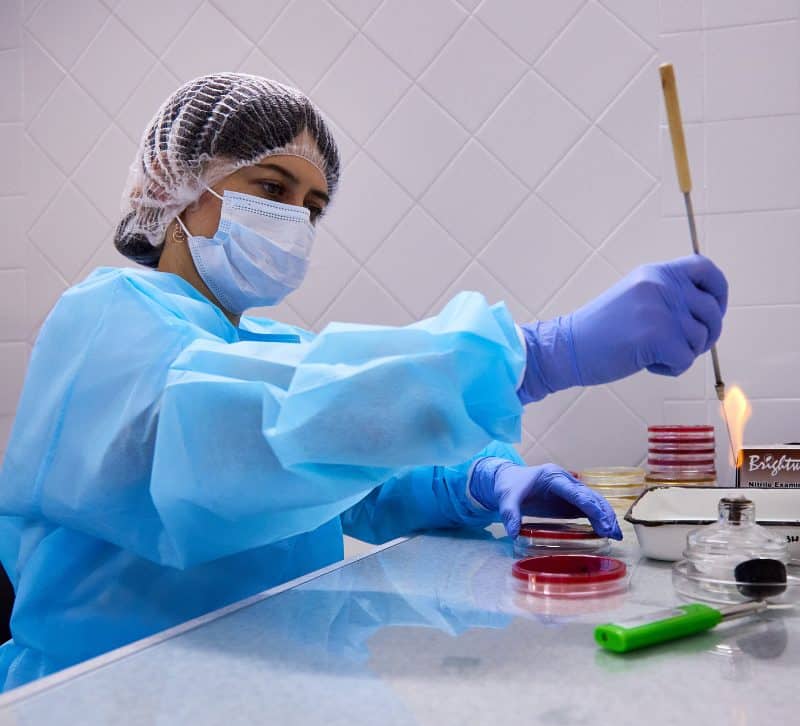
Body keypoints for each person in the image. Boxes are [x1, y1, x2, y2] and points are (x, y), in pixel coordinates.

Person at [0, 73, 728, 691]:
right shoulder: (103, 324)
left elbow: (337, 475)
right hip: (99, 700)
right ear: (177, 188)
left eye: (312, 206)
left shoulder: (263, 344)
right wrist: (540, 355)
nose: (294, 220)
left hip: (259, 688)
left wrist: (474, 483)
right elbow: (240, 430)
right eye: (271, 186)